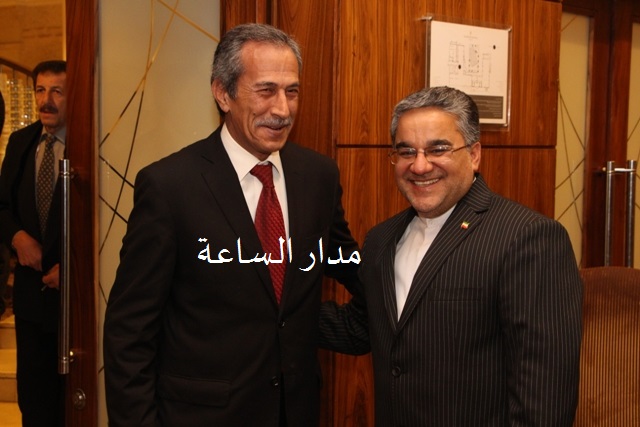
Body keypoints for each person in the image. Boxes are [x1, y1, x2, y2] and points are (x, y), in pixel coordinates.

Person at [103, 23, 360, 427]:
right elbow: (129, 332)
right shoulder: (170, 187)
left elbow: (349, 266)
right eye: (266, 90)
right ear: (223, 93)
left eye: (292, 91)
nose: (283, 109)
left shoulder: (318, 177)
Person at [319, 86, 583, 426]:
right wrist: (271, 311)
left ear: (474, 154)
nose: (419, 165)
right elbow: (362, 327)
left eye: (438, 149)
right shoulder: (381, 239)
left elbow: (545, 397)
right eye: (406, 151)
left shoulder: (528, 238)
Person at [0, 60, 67, 426]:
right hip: (29, 300)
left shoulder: (86, 144)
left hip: (72, 303)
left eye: (57, 91)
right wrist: (17, 236)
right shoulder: (21, 142)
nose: (46, 100)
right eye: (40, 90)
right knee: (34, 401)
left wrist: (70, 270)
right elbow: (2, 206)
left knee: (69, 402)